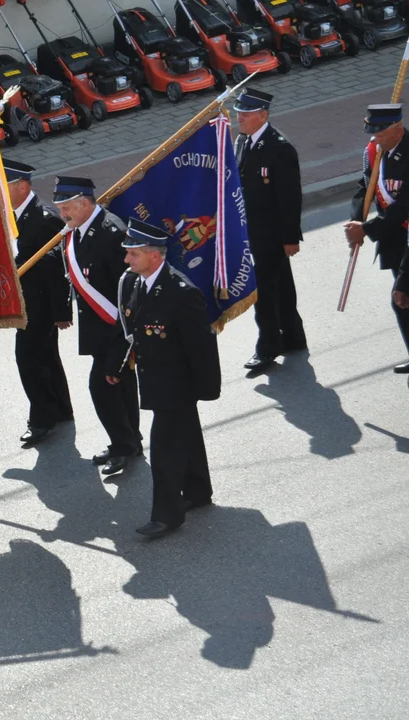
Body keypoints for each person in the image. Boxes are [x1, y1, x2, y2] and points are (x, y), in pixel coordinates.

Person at [112, 219, 221, 538]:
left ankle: (167, 515)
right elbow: (137, 336)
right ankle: (198, 490)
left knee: (164, 450)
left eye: (132, 254)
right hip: (155, 377)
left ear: (154, 256)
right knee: (185, 436)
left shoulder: (181, 293)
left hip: (178, 385)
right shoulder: (136, 283)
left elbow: (201, 348)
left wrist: (204, 390)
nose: (126, 260)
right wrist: (120, 369)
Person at [51, 175, 141, 475]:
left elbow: (129, 288)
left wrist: (125, 341)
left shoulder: (112, 232)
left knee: (102, 386)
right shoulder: (78, 230)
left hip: (117, 329)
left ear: (85, 203)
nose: (63, 215)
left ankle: (123, 444)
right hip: (99, 327)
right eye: (60, 208)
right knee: (122, 385)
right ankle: (130, 441)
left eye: (67, 208)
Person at [233, 88, 307, 371]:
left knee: (262, 292)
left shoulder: (280, 148)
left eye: (246, 113)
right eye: (239, 112)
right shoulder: (242, 142)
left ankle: (267, 347)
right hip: (252, 232)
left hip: (273, 236)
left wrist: (290, 238)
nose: (240, 117)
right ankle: (293, 336)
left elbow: (290, 198)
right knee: (282, 286)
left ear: (263, 115)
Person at [3, 158, 73, 447]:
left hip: (41, 305)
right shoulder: (11, 215)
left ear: (22, 186)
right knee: (45, 356)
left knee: (29, 360)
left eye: (5, 185)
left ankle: (42, 419)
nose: (0, 190)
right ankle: (60, 409)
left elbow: (58, 272)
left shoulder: (44, 219)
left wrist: (61, 312)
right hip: (25, 302)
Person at [345, 103, 409, 374]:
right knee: (403, 301)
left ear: (397, 130)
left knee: (401, 298)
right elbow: (366, 185)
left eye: (379, 134)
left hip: (402, 230)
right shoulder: (375, 151)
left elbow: (404, 205)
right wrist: (356, 220)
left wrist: (368, 230)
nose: (373, 139)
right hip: (395, 238)